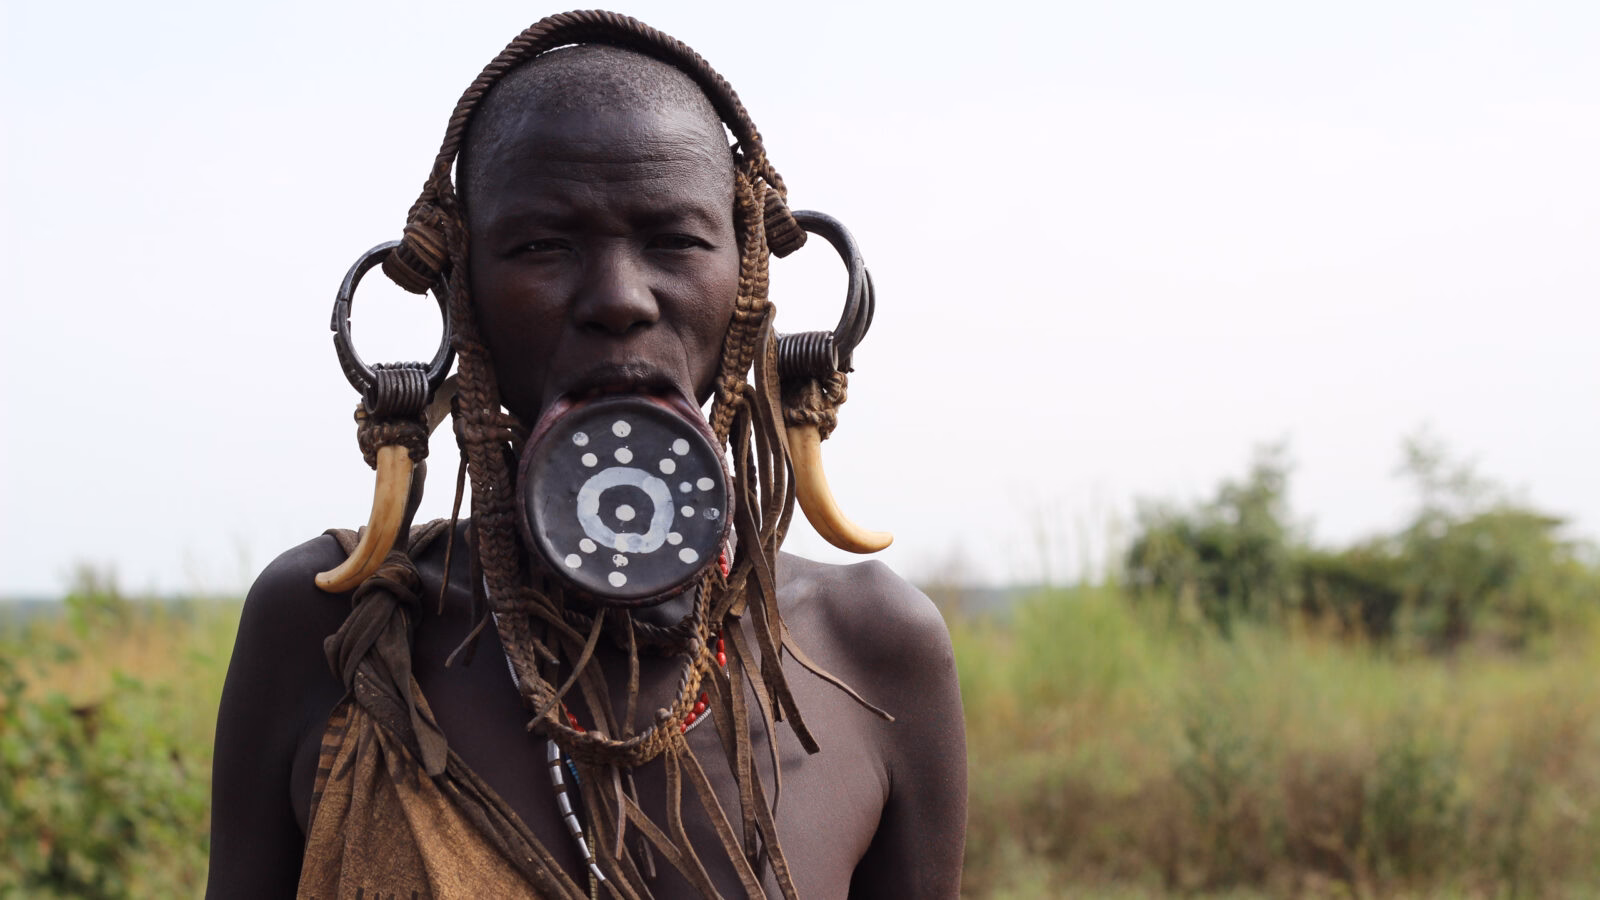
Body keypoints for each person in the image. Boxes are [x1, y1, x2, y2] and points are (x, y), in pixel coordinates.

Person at [208, 11, 965, 899]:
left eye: (675, 240)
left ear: (749, 272)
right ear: (460, 291)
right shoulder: (330, 631)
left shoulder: (874, 648)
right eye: (541, 246)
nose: (618, 299)